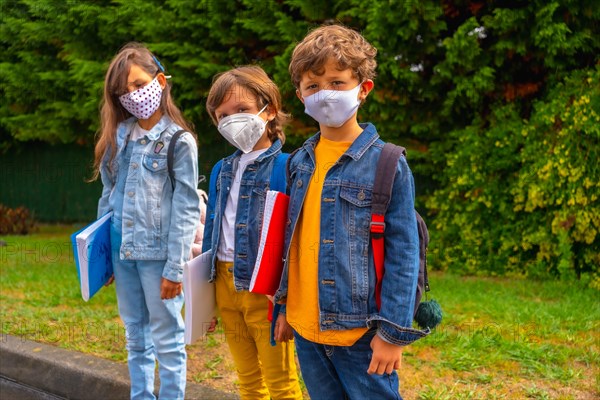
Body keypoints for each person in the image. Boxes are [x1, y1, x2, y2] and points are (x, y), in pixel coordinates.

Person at [273, 24, 430, 399]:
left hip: (361, 334)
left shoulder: (387, 163)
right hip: (306, 331)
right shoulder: (299, 161)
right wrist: (284, 308)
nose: (325, 94)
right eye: (313, 86)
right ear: (300, 95)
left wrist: (392, 334)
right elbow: (293, 243)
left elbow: (404, 254)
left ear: (363, 88)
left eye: (337, 82)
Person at [93, 42, 200, 400]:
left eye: (139, 84)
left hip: (158, 260)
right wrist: (101, 256)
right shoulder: (118, 138)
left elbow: (185, 206)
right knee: (135, 335)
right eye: (124, 91)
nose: (133, 95)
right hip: (124, 256)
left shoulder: (178, 141)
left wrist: (174, 268)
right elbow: (108, 197)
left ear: (160, 80)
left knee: (167, 338)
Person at [202, 65, 302, 400]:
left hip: (265, 291)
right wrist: (205, 299)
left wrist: (286, 304)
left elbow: (294, 239)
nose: (232, 120)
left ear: (269, 110)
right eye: (223, 115)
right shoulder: (221, 169)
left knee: (281, 383)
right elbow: (212, 230)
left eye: (242, 110)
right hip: (223, 283)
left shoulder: (288, 166)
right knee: (247, 380)